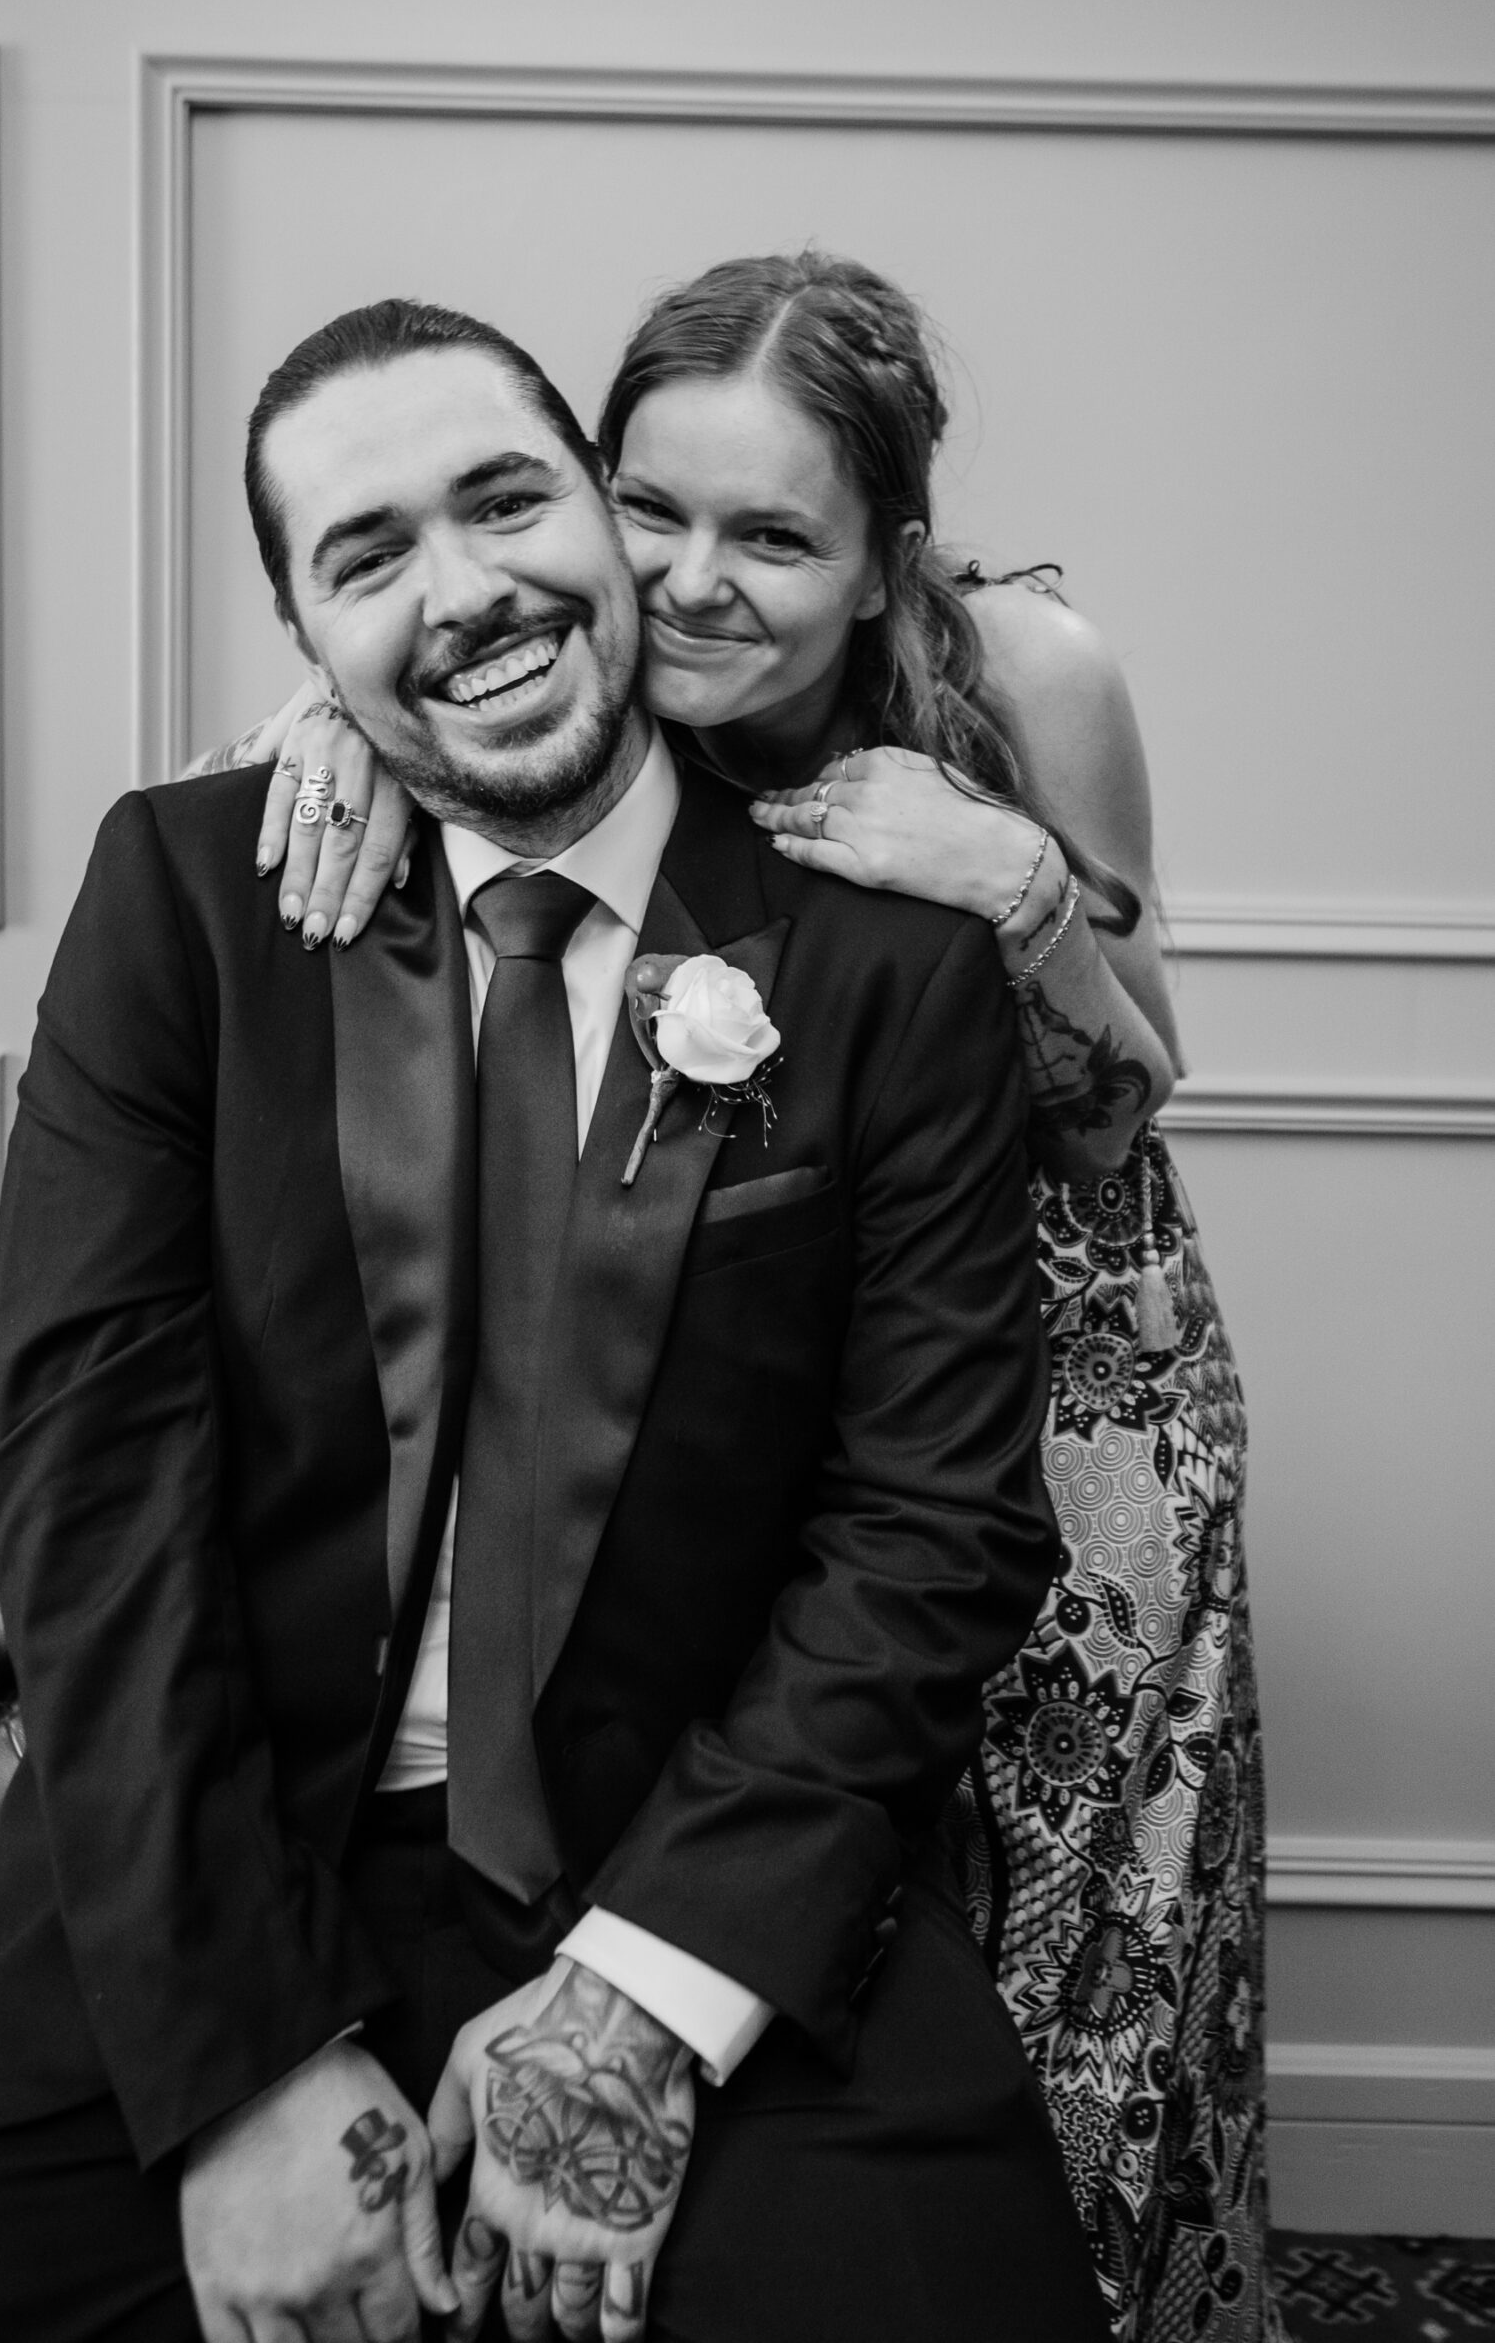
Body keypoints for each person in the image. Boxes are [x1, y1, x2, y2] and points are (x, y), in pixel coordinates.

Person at [0, 294, 1111, 2343]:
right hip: (215, 1861)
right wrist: (240, 2058)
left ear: (600, 517)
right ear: (304, 636)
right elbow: (89, 1484)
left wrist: (631, 2005)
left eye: (505, 498)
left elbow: (929, 1526)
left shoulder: (880, 950)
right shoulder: (189, 897)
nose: (463, 589)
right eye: (366, 555)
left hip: (697, 1842)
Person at [216, 252, 1281, 2343]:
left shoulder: (1030, 667)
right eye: (649, 507)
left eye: (773, 534)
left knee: (1078, 1939)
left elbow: (1136, 1074)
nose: (691, 580)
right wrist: (327, 725)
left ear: (885, 558)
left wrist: (1013, 890)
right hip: (766, 1328)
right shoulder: (530, 676)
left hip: (1073, 1348)